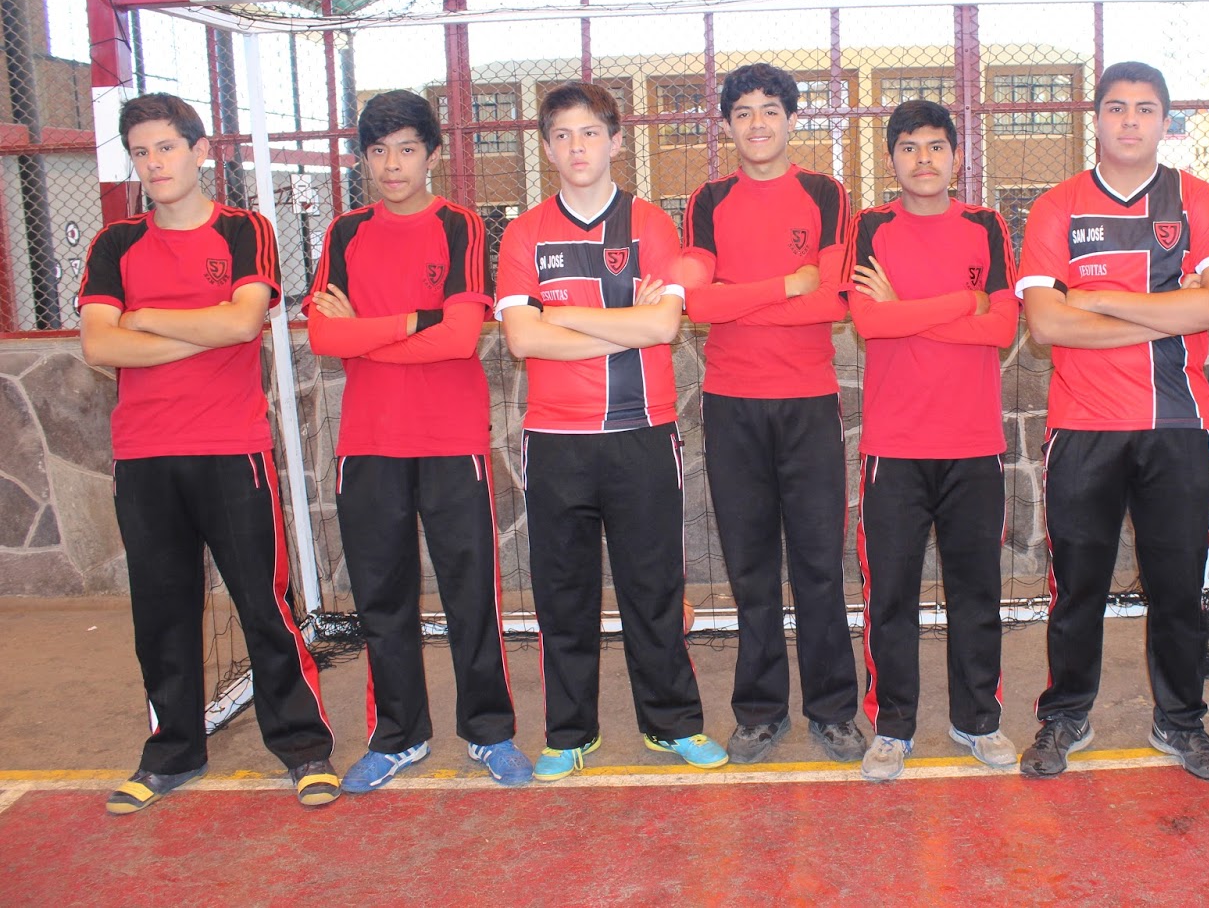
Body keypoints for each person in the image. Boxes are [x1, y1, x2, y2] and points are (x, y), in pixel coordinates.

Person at [77, 93, 338, 813]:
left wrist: (146, 318)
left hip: (231, 450)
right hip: (143, 456)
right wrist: (201, 327)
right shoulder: (115, 244)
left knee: (264, 606)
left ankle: (304, 747)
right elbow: (99, 344)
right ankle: (172, 753)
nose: (153, 163)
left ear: (199, 151)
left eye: (166, 147)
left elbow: (243, 323)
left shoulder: (243, 230)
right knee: (162, 613)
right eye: (140, 152)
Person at [495, 81, 727, 780]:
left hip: (642, 433)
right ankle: (569, 733)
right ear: (546, 148)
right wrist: (622, 325)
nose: (577, 147)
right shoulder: (524, 232)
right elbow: (520, 340)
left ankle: (673, 724)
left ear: (616, 142)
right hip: (555, 439)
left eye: (590, 133)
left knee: (653, 589)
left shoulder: (650, 224)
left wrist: (561, 315)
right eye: (563, 135)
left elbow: (663, 327)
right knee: (562, 594)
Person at [1015, 61, 1209, 781]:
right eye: (1116, 107)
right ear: (1098, 119)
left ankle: (1180, 721)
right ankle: (1065, 715)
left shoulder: (1199, 200)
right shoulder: (1057, 206)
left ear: (1165, 121)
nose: (1130, 120)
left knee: (1178, 587)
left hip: (1178, 425)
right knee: (1077, 586)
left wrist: (1101, 298)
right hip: (1083, 426)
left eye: (1145, 108)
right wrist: (1167, 310)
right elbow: (1047, 325)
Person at [305, 90, 530, 792]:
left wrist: (364, 334)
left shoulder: (460, 225)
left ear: (431, 154)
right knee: (382, 599)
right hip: (368, 443)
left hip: (449, 439)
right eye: (377, 151)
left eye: (406, 149)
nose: (392, 165)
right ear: (364, 160)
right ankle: (399, 736)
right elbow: (323, 336)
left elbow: (460, 338)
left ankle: (489, 732)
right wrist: (411, 322)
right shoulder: (344, 233)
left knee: (471, 594)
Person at [679, 63, 865, 764]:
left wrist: (740, 296)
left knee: (819, 566)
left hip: (808, 404)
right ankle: (759, 712)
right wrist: (788, 284)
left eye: (769, 110)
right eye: (743, 113)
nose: (757, 124)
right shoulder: (707, 200)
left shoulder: (825, 193)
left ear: (791, 119)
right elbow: (698, 305)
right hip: (732, 405)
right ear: (727, 125)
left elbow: (833, 302)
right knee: (751, 570)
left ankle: (833, 710)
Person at [845, 100, 1019, 781]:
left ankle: (978, 720)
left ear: (956, 156)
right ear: (892, 159)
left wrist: (907, 311)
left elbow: (1001, 328)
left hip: (974, 444)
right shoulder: (871, 226)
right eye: (910, 147)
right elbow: (869, 323)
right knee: (890, 594)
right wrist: (961, 303)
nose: (924, 159)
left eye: (936, 147)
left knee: (977, 592)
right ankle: (892, 727)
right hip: (895, 446)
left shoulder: (986, 225)